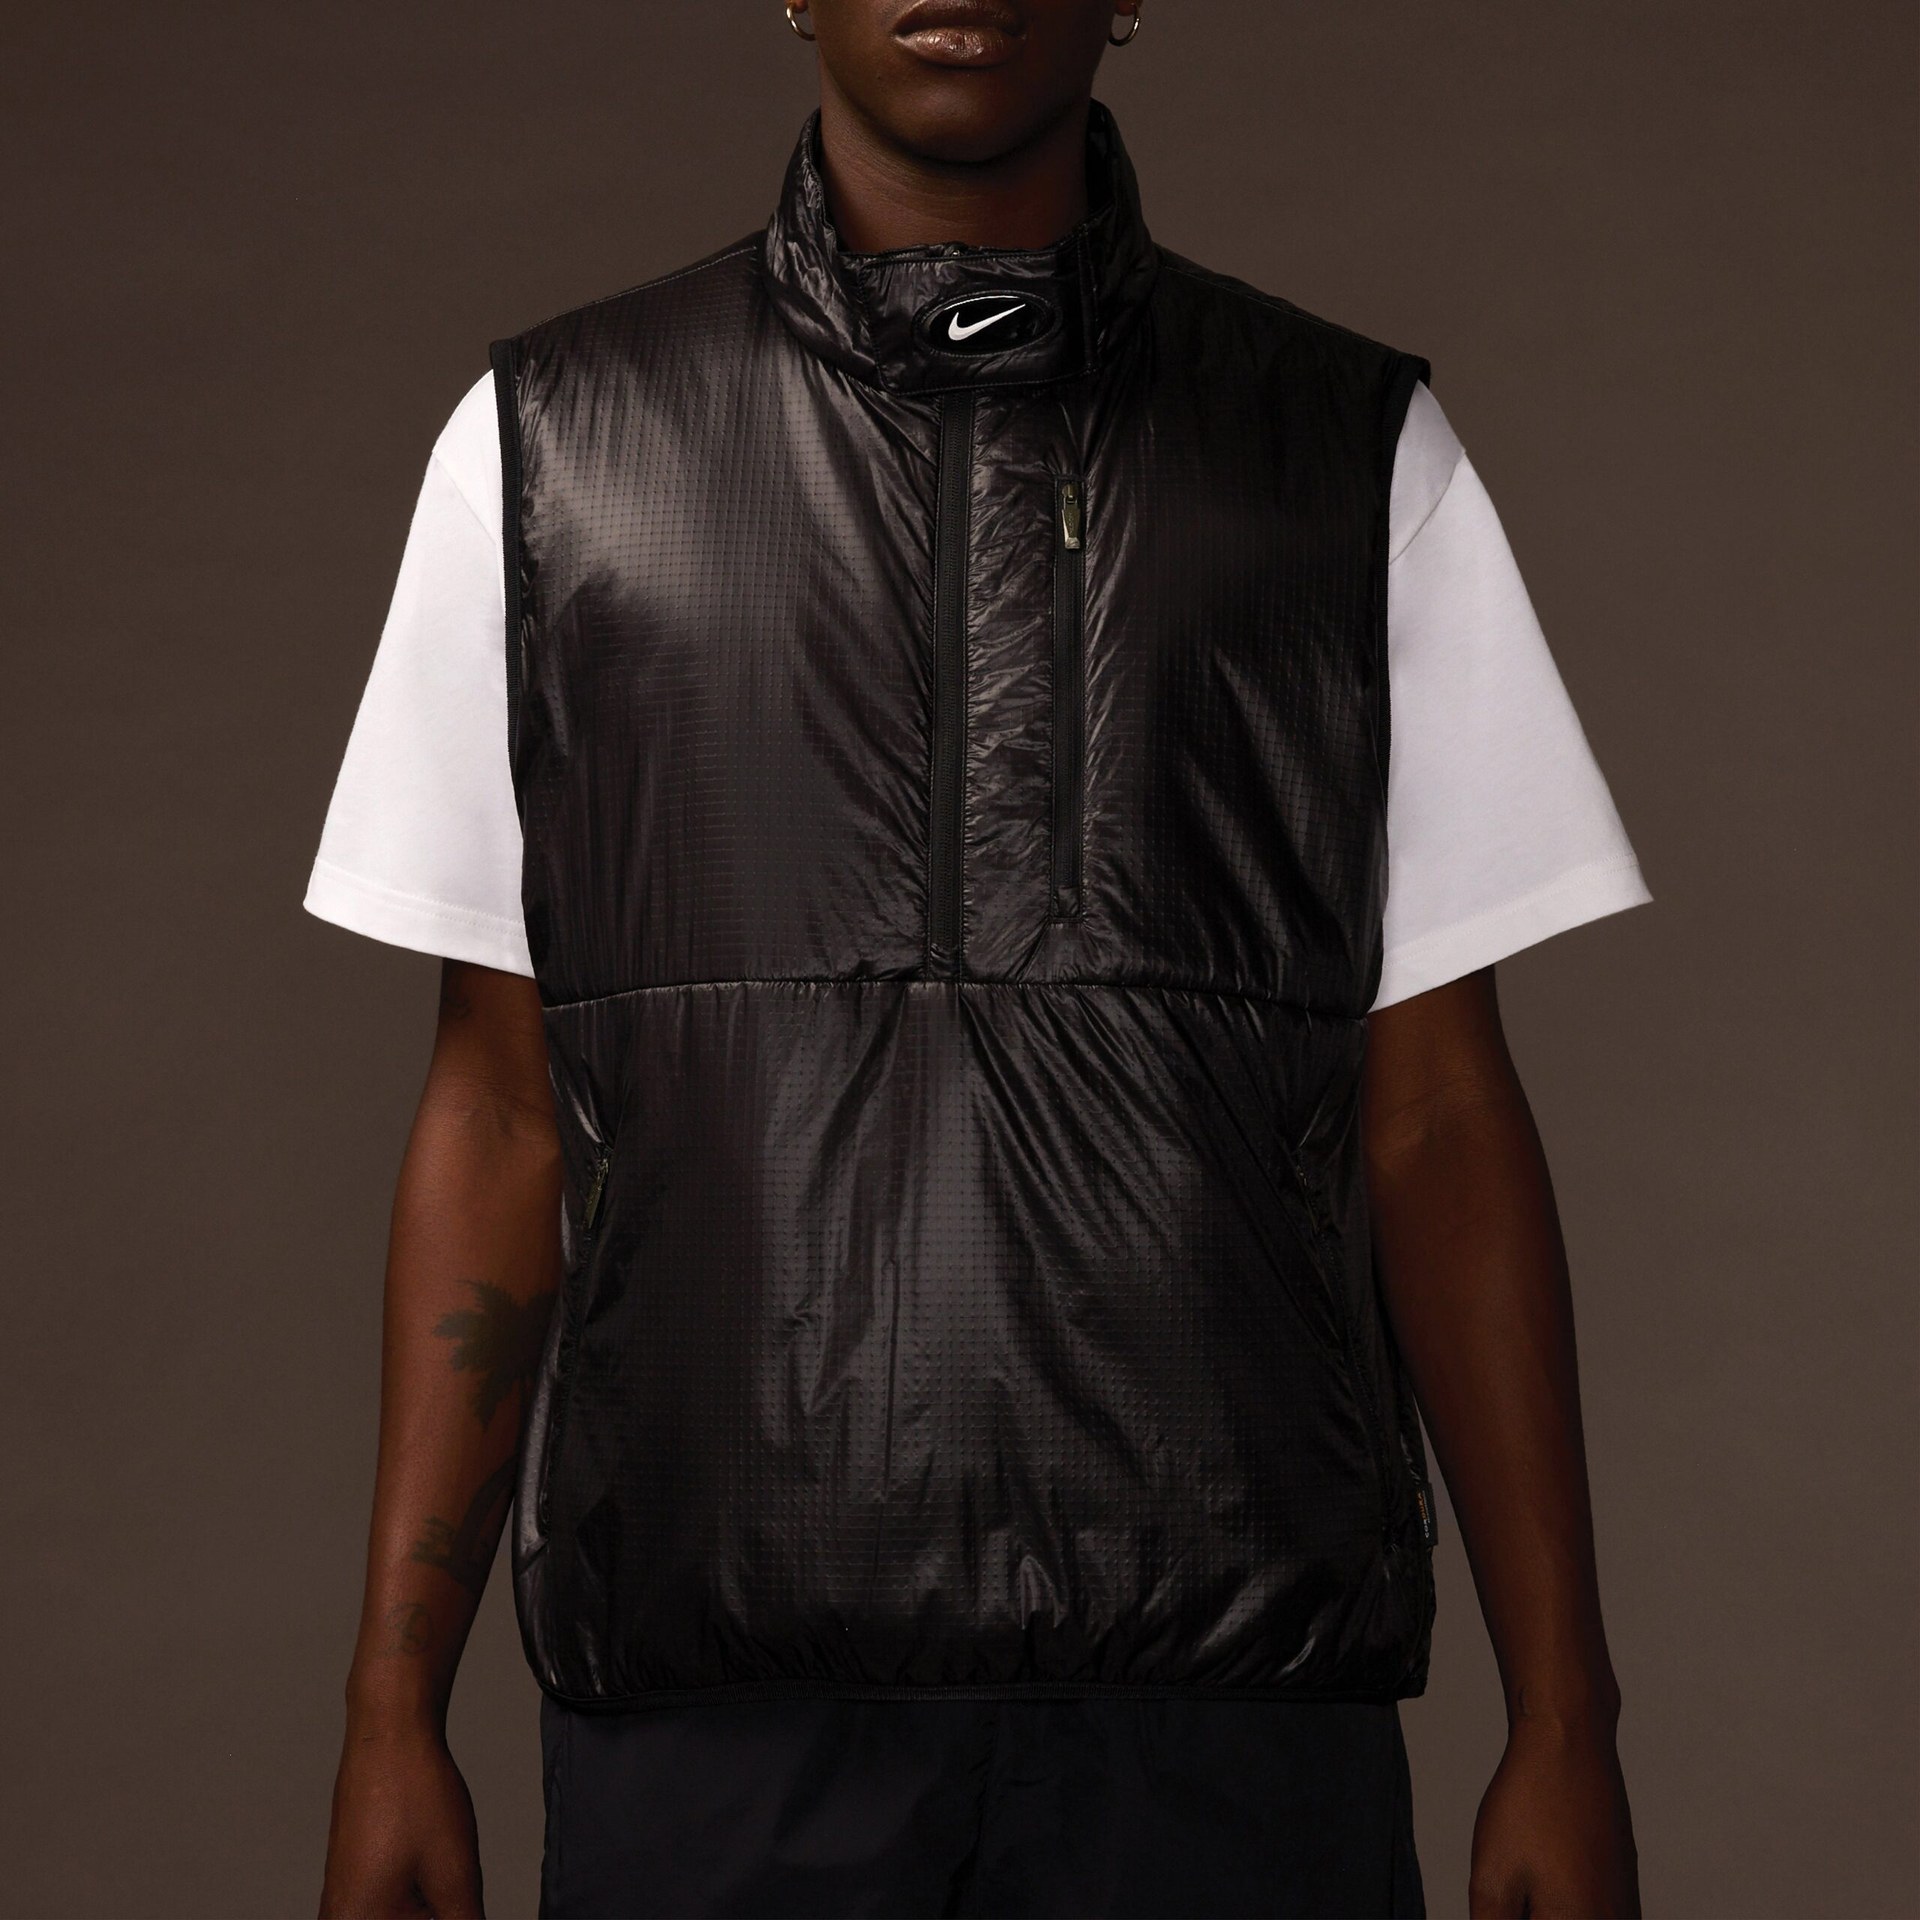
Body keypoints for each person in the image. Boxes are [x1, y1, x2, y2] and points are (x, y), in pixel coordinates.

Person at [311, 3, 1649, 1915]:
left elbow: (1436, 1118)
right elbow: (504, 1114)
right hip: (712, 1742)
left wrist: (1566, 1720)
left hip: (1231, 1742)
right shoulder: (548, 451)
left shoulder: (1349, 454)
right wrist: (389, 1708)